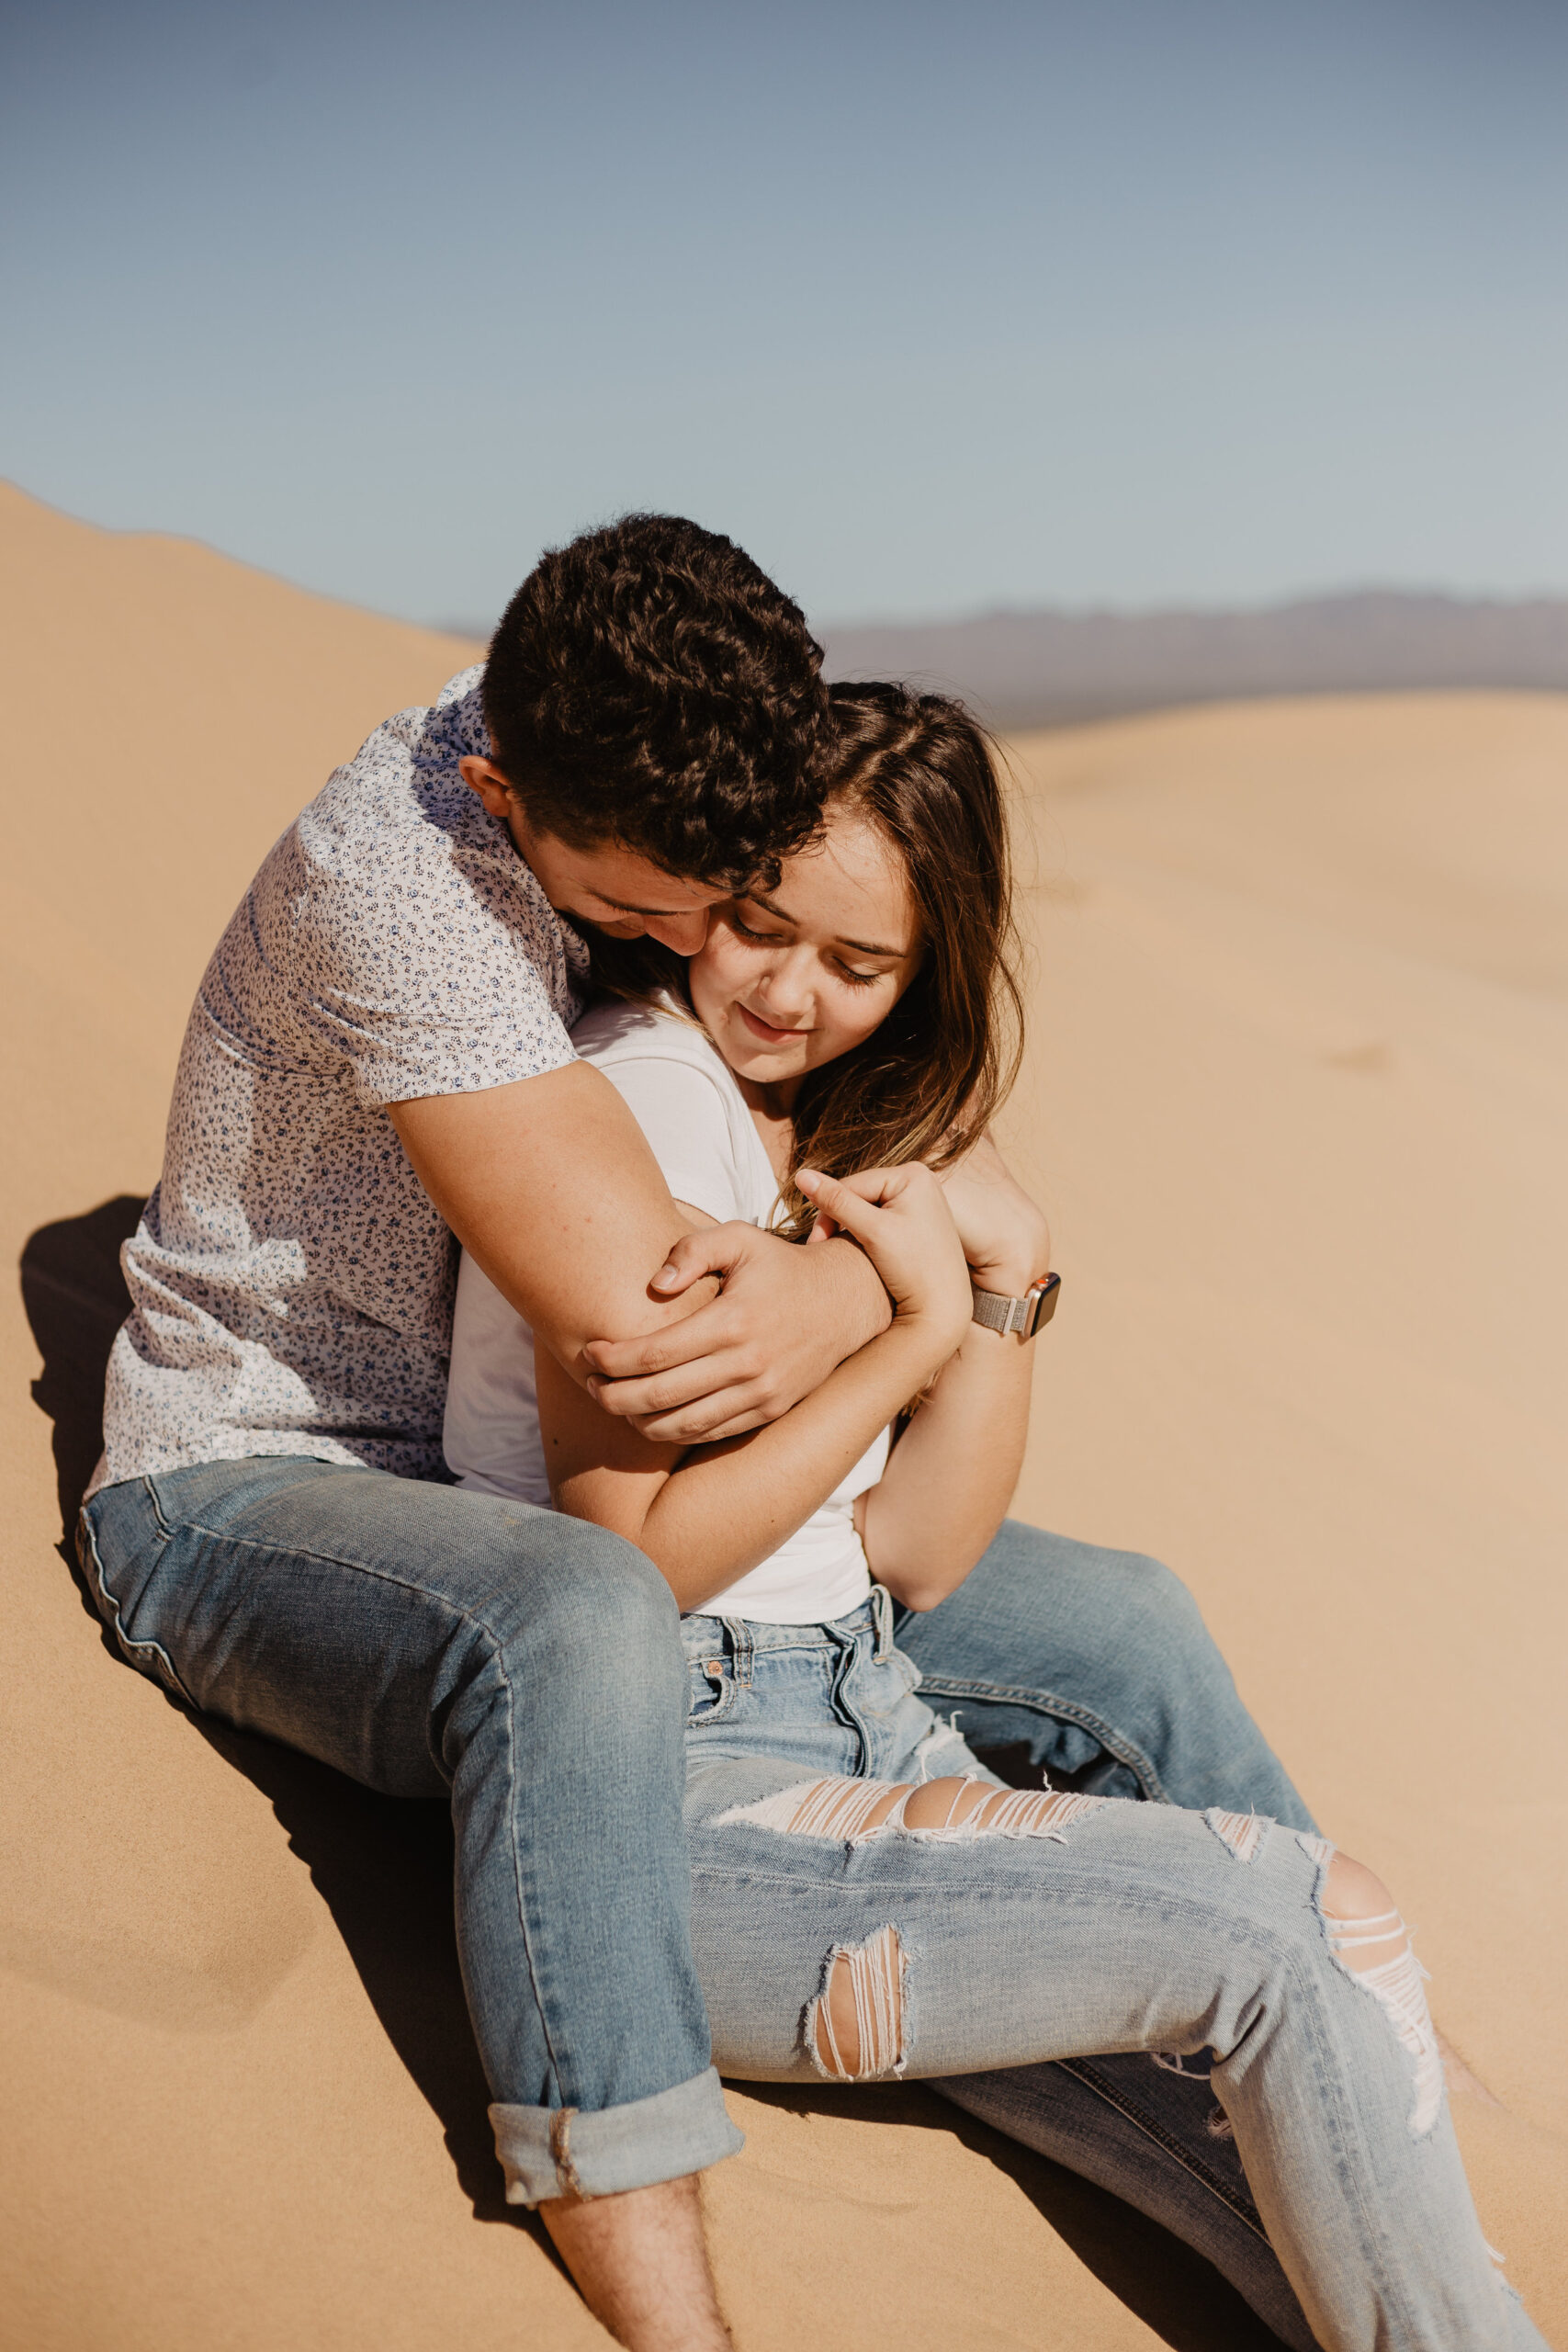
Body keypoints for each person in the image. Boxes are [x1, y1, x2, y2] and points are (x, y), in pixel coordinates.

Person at [79, 514, 1321, 2352]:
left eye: (715, 895)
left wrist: (914, 1242)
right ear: (501, 791)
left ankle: (1362, 2045)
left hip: (523, 1459)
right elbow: (644, 1320)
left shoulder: (632, 749)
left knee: (1118, 1622)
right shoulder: (404, 885)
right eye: (658, 912)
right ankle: (667, 2299)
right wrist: (895, 1270)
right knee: (577, 1611)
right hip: (281, 1476)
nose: (676, 956)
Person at [446, 682, 1543, 2352]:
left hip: (867, 1721)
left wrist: (1005, 1287)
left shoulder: (831, 1120)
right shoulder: (653, 1104)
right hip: (684, 1801)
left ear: (927, 974)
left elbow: (918, 1558)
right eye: (758, 924)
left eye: (859, 966)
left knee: (1323, 2186)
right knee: (1304, 1928)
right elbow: (626, 1565)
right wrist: (907, 1336)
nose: (787, 991)